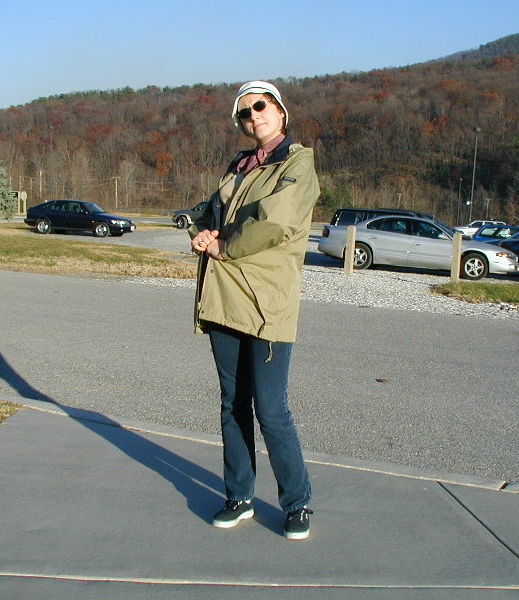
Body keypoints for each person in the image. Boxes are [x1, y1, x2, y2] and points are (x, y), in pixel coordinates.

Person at [189, 81, 320, 540]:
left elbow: (275, 221)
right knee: (232, 404)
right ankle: (239, 496)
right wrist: (204, 230)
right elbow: (216, 213)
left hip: (267, 303)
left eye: (260, 106)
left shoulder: (297, 164)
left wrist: (223, 246)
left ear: (280, 111)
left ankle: (297, 502)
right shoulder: (239, 166)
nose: (253, 116)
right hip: (224, 296)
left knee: (271, 409)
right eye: (244, 113)